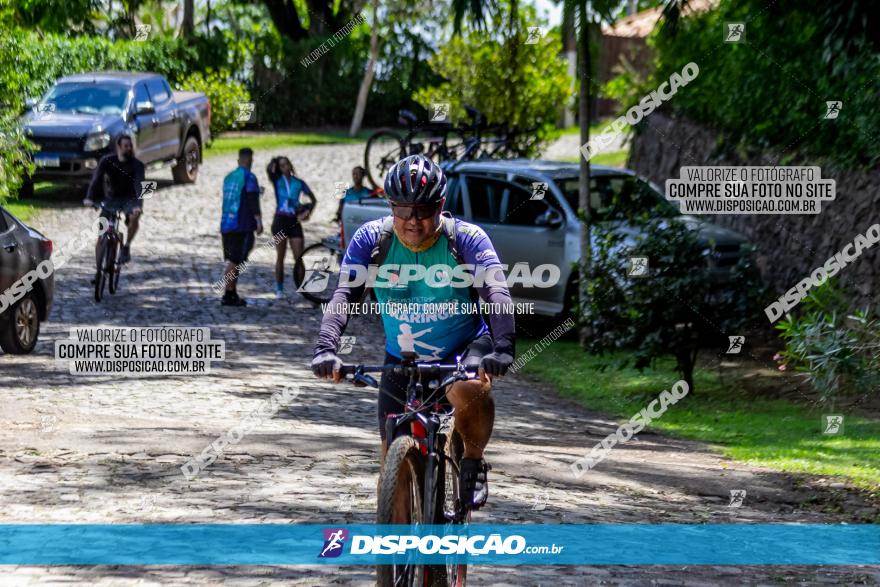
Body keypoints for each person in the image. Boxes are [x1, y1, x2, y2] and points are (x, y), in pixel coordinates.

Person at [311, 154, 515, 511]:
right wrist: (326, 348)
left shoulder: (466, 240)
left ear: (441, 205)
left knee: (469, 388)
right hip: (401, 358)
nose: (413, 221)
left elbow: (496, 292)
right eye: (403, 211)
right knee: (393, 474)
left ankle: (472, 460)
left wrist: (503, 347)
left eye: (423, 211)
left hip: (463, 348)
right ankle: (398, 561)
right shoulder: (373, 240)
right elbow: (344, 294)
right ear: (390, 207)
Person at [83, 135, 145, 264]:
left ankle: (127, 246)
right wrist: (89, 198)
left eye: (130, 146)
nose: (128, 149)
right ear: (118, 147)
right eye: (125, 146)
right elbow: (96, 179)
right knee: (101, 234)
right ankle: (99, 270)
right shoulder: (107, 160)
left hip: (130, 199)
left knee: (134, 216)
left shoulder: (138, 165)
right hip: (112, 198)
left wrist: (138, 205)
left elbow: (140, 185)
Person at [266, 156, 316, 299]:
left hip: (294, 220)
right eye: (281, 165)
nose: (285, 167)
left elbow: (313, 199)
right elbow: (269, 170)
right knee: (280, 257)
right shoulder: (276, 181)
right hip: (280, 220)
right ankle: (279, 289)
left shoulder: (299, 183)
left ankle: (303, 290)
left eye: (286, 164)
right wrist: (274, 161)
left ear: (290, 165)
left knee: (299, 258)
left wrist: (308, 212)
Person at [219, 147, 263, 306]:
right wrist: (258, 221)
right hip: (241, 225)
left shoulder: (229, 177)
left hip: (226, 224)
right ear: (250, 160)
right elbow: (252, 200)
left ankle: (232, 293)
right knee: (235, 260)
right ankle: (228, 294)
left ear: (239, 160)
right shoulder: (249, 177)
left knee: (233, 259)